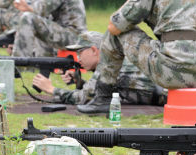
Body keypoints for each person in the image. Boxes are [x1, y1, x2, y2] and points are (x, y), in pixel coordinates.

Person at [32, 31, 166, 106]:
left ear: (94, 50)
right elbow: (106, 90)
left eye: (80, 52)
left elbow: (83, 98)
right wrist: (81, 83)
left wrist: (51, 89)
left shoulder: (107, 66)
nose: (78, 58)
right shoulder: (116, 60)